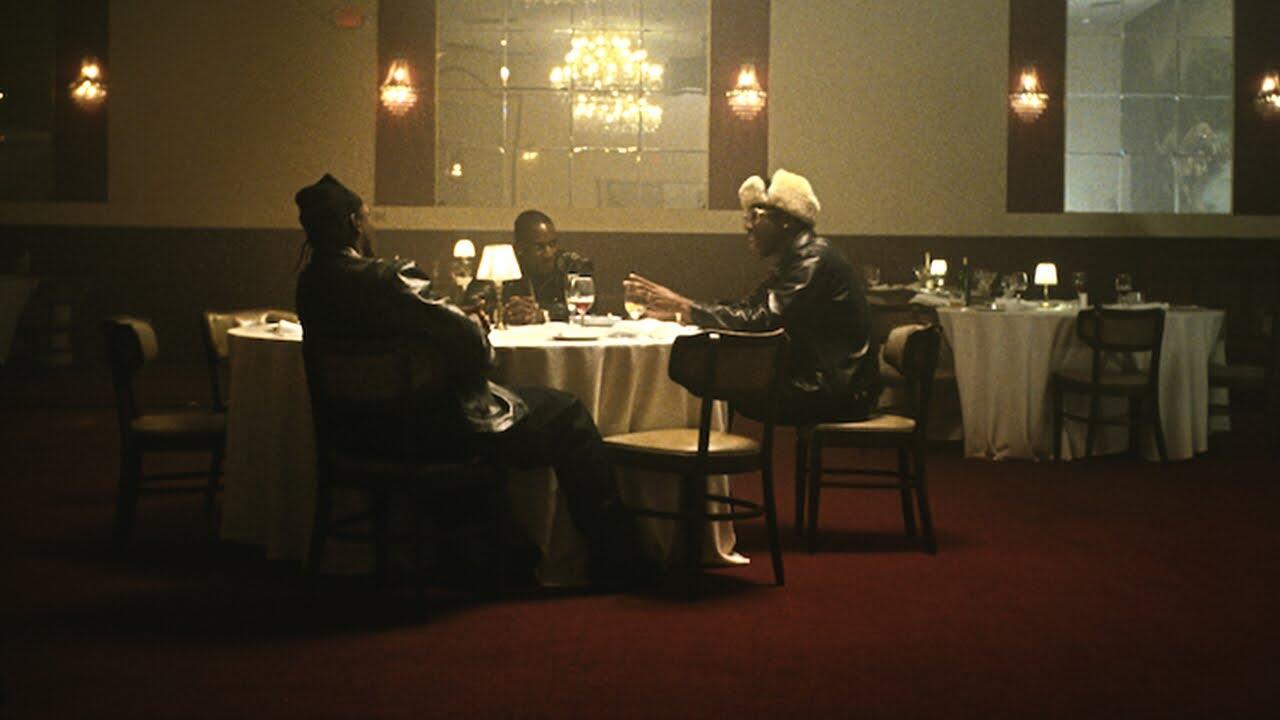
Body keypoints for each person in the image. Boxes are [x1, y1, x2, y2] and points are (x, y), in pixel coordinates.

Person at [293, 174, 644, 587]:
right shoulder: (389, 279)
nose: (371, 227)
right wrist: (471, 322)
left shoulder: (310, 284)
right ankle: (617, 560)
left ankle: (508, 554)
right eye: (368, 218)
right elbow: (476, 349)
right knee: (569, 414)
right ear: (355, 222)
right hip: (429, 434)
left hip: (356, 435)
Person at [625, 169, 880, 424]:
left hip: (835, 394)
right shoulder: (798, 258)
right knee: (700, 377)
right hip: (826, 386)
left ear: (786, 220)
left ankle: (662, 441)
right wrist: (681, 312)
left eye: (755, 216)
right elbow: (747, 308)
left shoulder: (813, 259)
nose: (746, 226)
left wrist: (686, 307)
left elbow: (764, 320)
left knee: (698, 377)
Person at [466, 210, 593, 324]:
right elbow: (470, 304)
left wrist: (543, 314)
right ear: (519, 248)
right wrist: (502, 313)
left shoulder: (569, 264)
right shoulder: (504, 264)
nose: (549, 253)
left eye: (552, 244)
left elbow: (589, 307)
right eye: (539, 247)